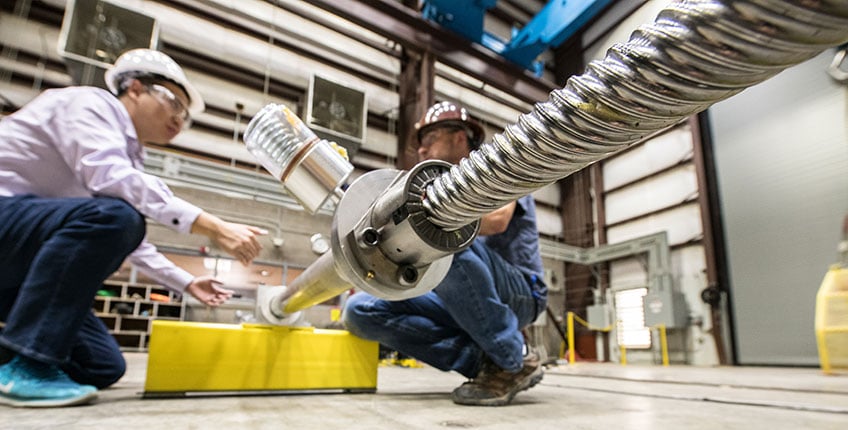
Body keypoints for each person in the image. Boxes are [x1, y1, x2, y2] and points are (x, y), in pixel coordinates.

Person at [0, 49, 266, 408]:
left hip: (17, 257)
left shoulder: (125, 153)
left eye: (185, 116)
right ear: (135, 88)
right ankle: (27, 366)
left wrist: (186, 282)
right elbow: (112, 196)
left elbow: (125, 238)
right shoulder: (90, 105)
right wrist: (213, 227)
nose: (179, 118)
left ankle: (13, 360)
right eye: (173, 102)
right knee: (119, 218)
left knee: (102, 365)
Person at [342, 101, 548, 406]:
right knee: (360, 310)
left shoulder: (499, 173)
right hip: (464, 293)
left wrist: (426, 221)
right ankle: (483, 363)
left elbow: (497, 221)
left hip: (520, 293)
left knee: (441, 239)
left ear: (459, 138)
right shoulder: (438, 189)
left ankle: (510, 358)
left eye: (429, 139)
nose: (421, 151)